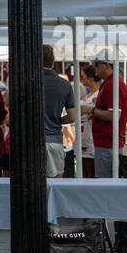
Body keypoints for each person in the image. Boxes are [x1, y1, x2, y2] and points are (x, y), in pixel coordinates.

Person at [89, 56, 127, 179]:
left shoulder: (112, 84)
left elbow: (114, 115)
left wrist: (91, 110)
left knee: (104, 183)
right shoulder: (110, 83)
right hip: (108, 141)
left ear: (106, 65)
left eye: (96, 64)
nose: (94, 68)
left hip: (108, 142)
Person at [40, 46, 76, 178]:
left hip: (31, 142)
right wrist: (58, 120)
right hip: (55, 140)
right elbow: (72, 117)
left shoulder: (29, 82)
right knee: (55, 187)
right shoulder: (64, 84)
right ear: (52, 62)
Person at [77, 65, 99, 177]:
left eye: (83, 76)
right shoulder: (87, 95)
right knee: (82, 173)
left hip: (90, 137)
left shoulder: (98, 95)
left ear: (90, 78)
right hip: (81, 136)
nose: (81, 79)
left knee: (91, 172)